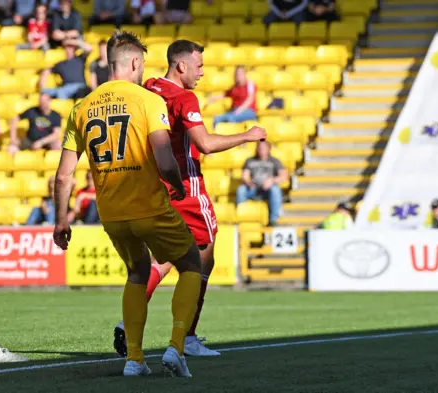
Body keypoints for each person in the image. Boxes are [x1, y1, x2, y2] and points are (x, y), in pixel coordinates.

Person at [53, 31, 203, 378]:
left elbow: (63, 177)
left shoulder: (81, 106)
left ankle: (134, 359)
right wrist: (179, 185)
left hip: (112, 213)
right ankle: (176, 347)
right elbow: (165, 159)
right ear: (135, 62)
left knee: (137, 272)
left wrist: (61, 221)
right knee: (192, 263)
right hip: (149, 205)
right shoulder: (148, 101)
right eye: (142, 64)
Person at [113, 39, 267, 358]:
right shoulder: (185, 98)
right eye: (198, 66)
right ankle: (189, 336)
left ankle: (129, 324)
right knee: (204, 255)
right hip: (185, 185)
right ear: (181, 66)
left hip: (152, 187)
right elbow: (206, 144)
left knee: (164, 259)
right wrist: (248, 135)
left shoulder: (151, 86)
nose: (202, 73)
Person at [236, 141, 288, 226]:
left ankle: (273, 219)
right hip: (253, 189)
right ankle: (241, 216)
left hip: (267, 190)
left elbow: (284, 176)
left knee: (275, 190)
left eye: (263, 148)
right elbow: (245, 175)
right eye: (259, 148)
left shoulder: (275, 161)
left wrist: (272, 180)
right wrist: (248, 182)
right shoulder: (250, 161)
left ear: (268, 149)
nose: (261, 150)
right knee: (241, 189)